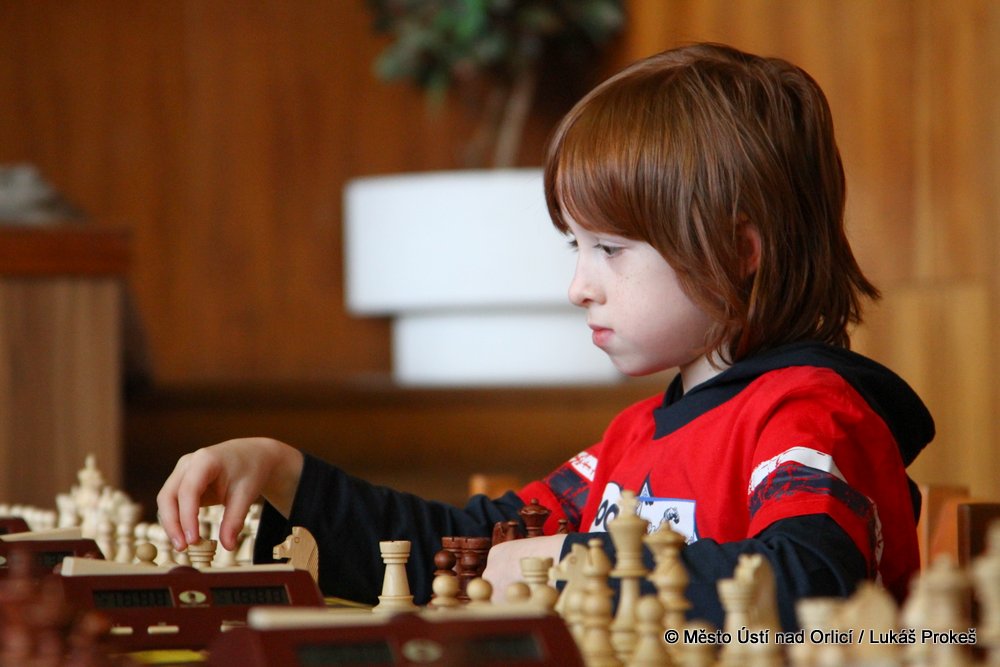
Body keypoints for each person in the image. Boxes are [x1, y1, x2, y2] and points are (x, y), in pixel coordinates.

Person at [156, 42, 933, 630]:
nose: (579, 285)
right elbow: (463, 551)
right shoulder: (632, 440)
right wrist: (287, 474)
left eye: (611, 249)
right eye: (576, 247)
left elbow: (813, 586)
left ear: (737, 250)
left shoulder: (808, 417)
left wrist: (570, 560)